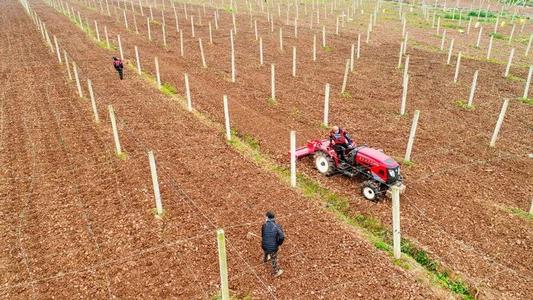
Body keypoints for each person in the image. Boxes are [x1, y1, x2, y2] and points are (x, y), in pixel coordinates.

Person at [261, 211, 285, 277]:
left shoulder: (264, 225)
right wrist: (278, 243)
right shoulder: (278, 226)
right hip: (273, 248)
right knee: (273, 258)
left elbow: (263, 235)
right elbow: (282, 236)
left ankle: (265, 259)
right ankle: (276, 271)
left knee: (267, 248)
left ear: (267, 217)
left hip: (264, 245)